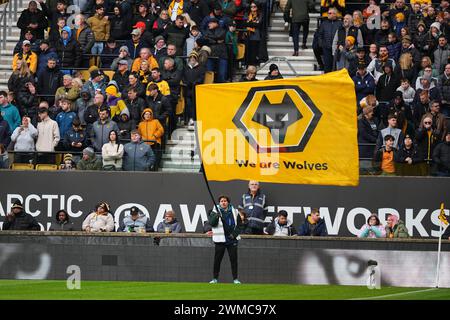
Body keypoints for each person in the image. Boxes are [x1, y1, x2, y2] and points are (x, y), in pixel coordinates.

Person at [208, 195, 247, 284]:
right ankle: (215, 279)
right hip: (220, 240)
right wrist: (216, 216)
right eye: (221, 201)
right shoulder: (214, 212)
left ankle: (235, 279)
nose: (223, 202)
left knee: (233, 260)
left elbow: (240, 225)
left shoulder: (235, 211)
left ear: (228, 202)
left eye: (225, 201)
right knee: (217, 260)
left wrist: (234, 235)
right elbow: (212, 224)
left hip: (231, 239)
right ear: (219, 203)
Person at [318, 7, 342, 73]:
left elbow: (342, 35)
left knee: (336, 67)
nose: (328, 14)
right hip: (326, 48)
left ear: (335, 14)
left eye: (330, 13)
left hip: (337, 49)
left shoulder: (340, 23)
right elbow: (320, 35)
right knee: (327, 67)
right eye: (328, 13)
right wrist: (322, 44)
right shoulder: (324, 23)